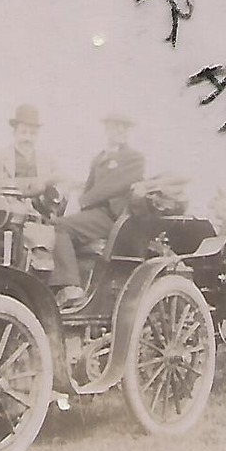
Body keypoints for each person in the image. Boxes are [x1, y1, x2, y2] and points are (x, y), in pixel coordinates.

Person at [52, 112, 145, 307]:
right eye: (115, 126)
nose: (119, 130)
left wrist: (84, 200)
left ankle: (71, 287)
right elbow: (89, 187)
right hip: (94, 215)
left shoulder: (134, 158)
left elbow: (115, 185)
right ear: (107, 129)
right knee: (53, 224)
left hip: (113, 217)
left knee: (60, 227)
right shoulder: (99, 158)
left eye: (123, 127)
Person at [0, 103, 59, 187]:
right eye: (23, 132)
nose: (28, 138)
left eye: (32, 133)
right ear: (14, 133)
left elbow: (62, 182)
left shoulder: (47, 161)